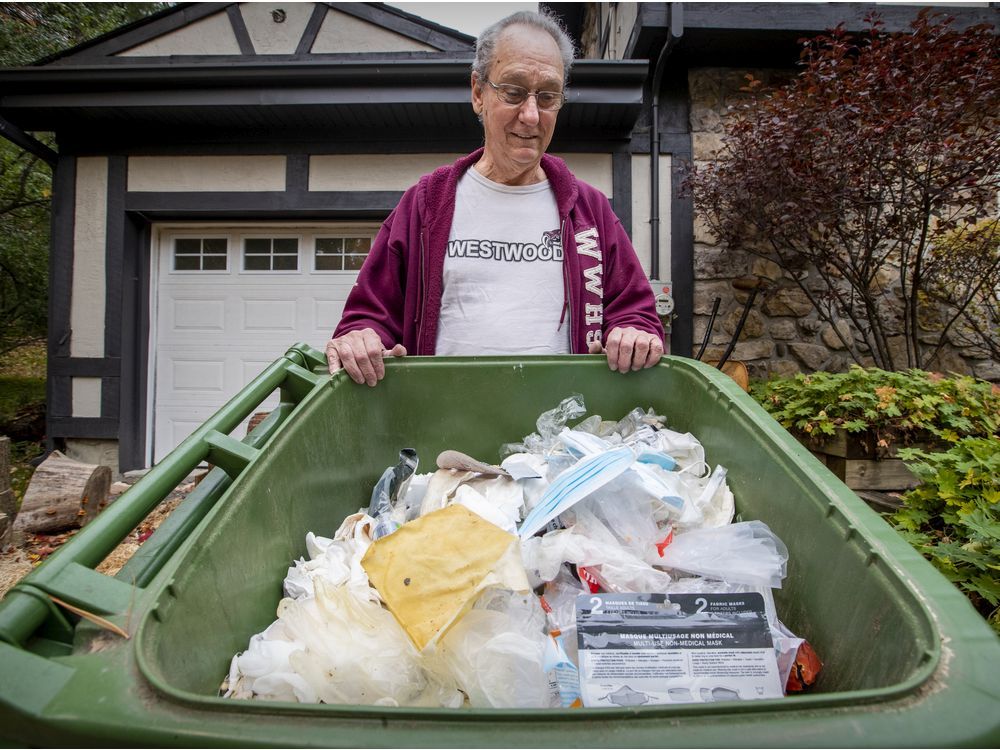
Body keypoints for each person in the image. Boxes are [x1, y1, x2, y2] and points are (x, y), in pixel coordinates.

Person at [326, 10, 663, 386]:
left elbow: (637, 315)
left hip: (562, 420)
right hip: (445, 417)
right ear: (478, 93)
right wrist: (361, 338)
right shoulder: (426, 203)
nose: (531, 115)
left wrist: (633, 333)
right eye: (514, 92)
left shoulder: (590, 210)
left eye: (548, 97)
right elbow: (367, 318)